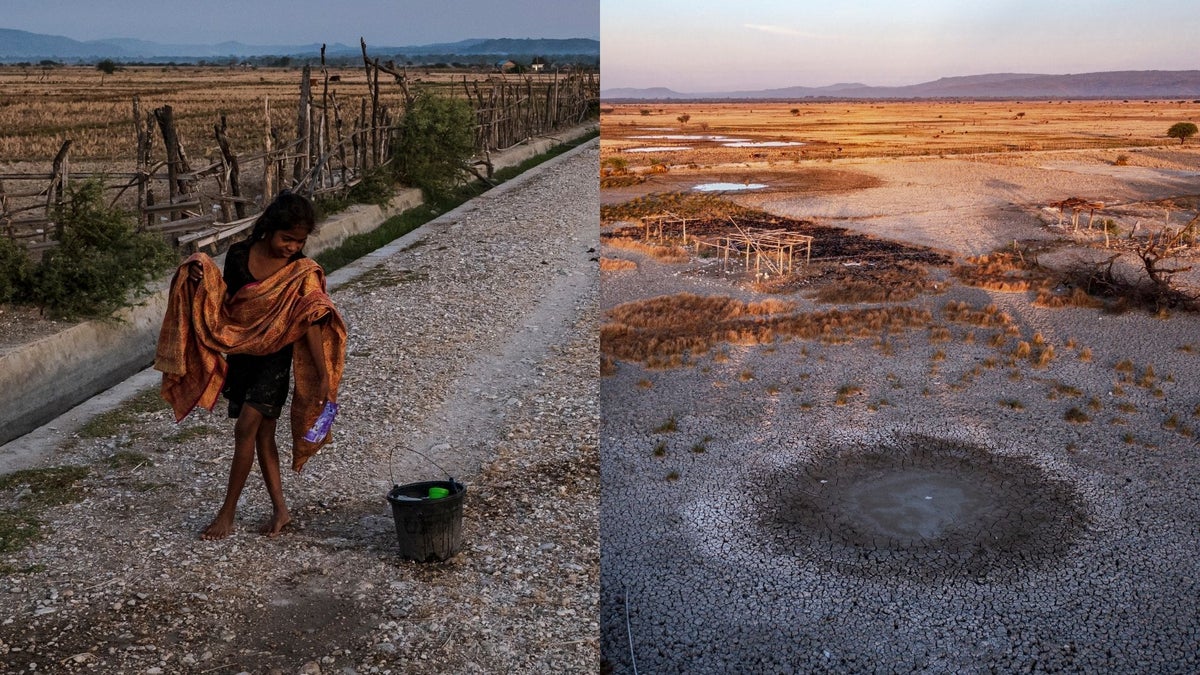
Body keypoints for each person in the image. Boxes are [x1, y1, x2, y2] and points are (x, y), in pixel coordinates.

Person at [154, 191, 346, 540]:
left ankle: (227, 513)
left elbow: (312, 322)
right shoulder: (240, 256)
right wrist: (200, 278)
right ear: (268, 229)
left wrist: (322, 374)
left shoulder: (301, 272)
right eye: (287, 239)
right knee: (263, 437)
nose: (291, 247)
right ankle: (281, 511)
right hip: (242, 353)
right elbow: (227, 302)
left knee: (245, 428)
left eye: (299, 241)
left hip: (275, 360)